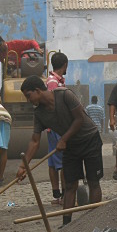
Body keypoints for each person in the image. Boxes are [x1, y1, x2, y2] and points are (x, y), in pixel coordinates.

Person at [17, 76, 103, 226]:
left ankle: (93, 222)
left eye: (28, 96)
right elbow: (35, 141)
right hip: (71, 146)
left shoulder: (64, 95)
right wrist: (23, 166)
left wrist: (63, 139)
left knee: (93, 181)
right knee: (70, 185)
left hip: (90, 139)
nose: (28, 100)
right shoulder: (39, 114)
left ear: (37, 91)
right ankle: (66, 225)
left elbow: (79, 119)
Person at [46, 52, 68, 205]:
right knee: (62, 163)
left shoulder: (56, 81)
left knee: (53, 163)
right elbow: (54, 105)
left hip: (53, 127)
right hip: (57, 127)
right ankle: (65, 195)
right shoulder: (53, 82)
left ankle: (58, 195)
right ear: (65, 65)